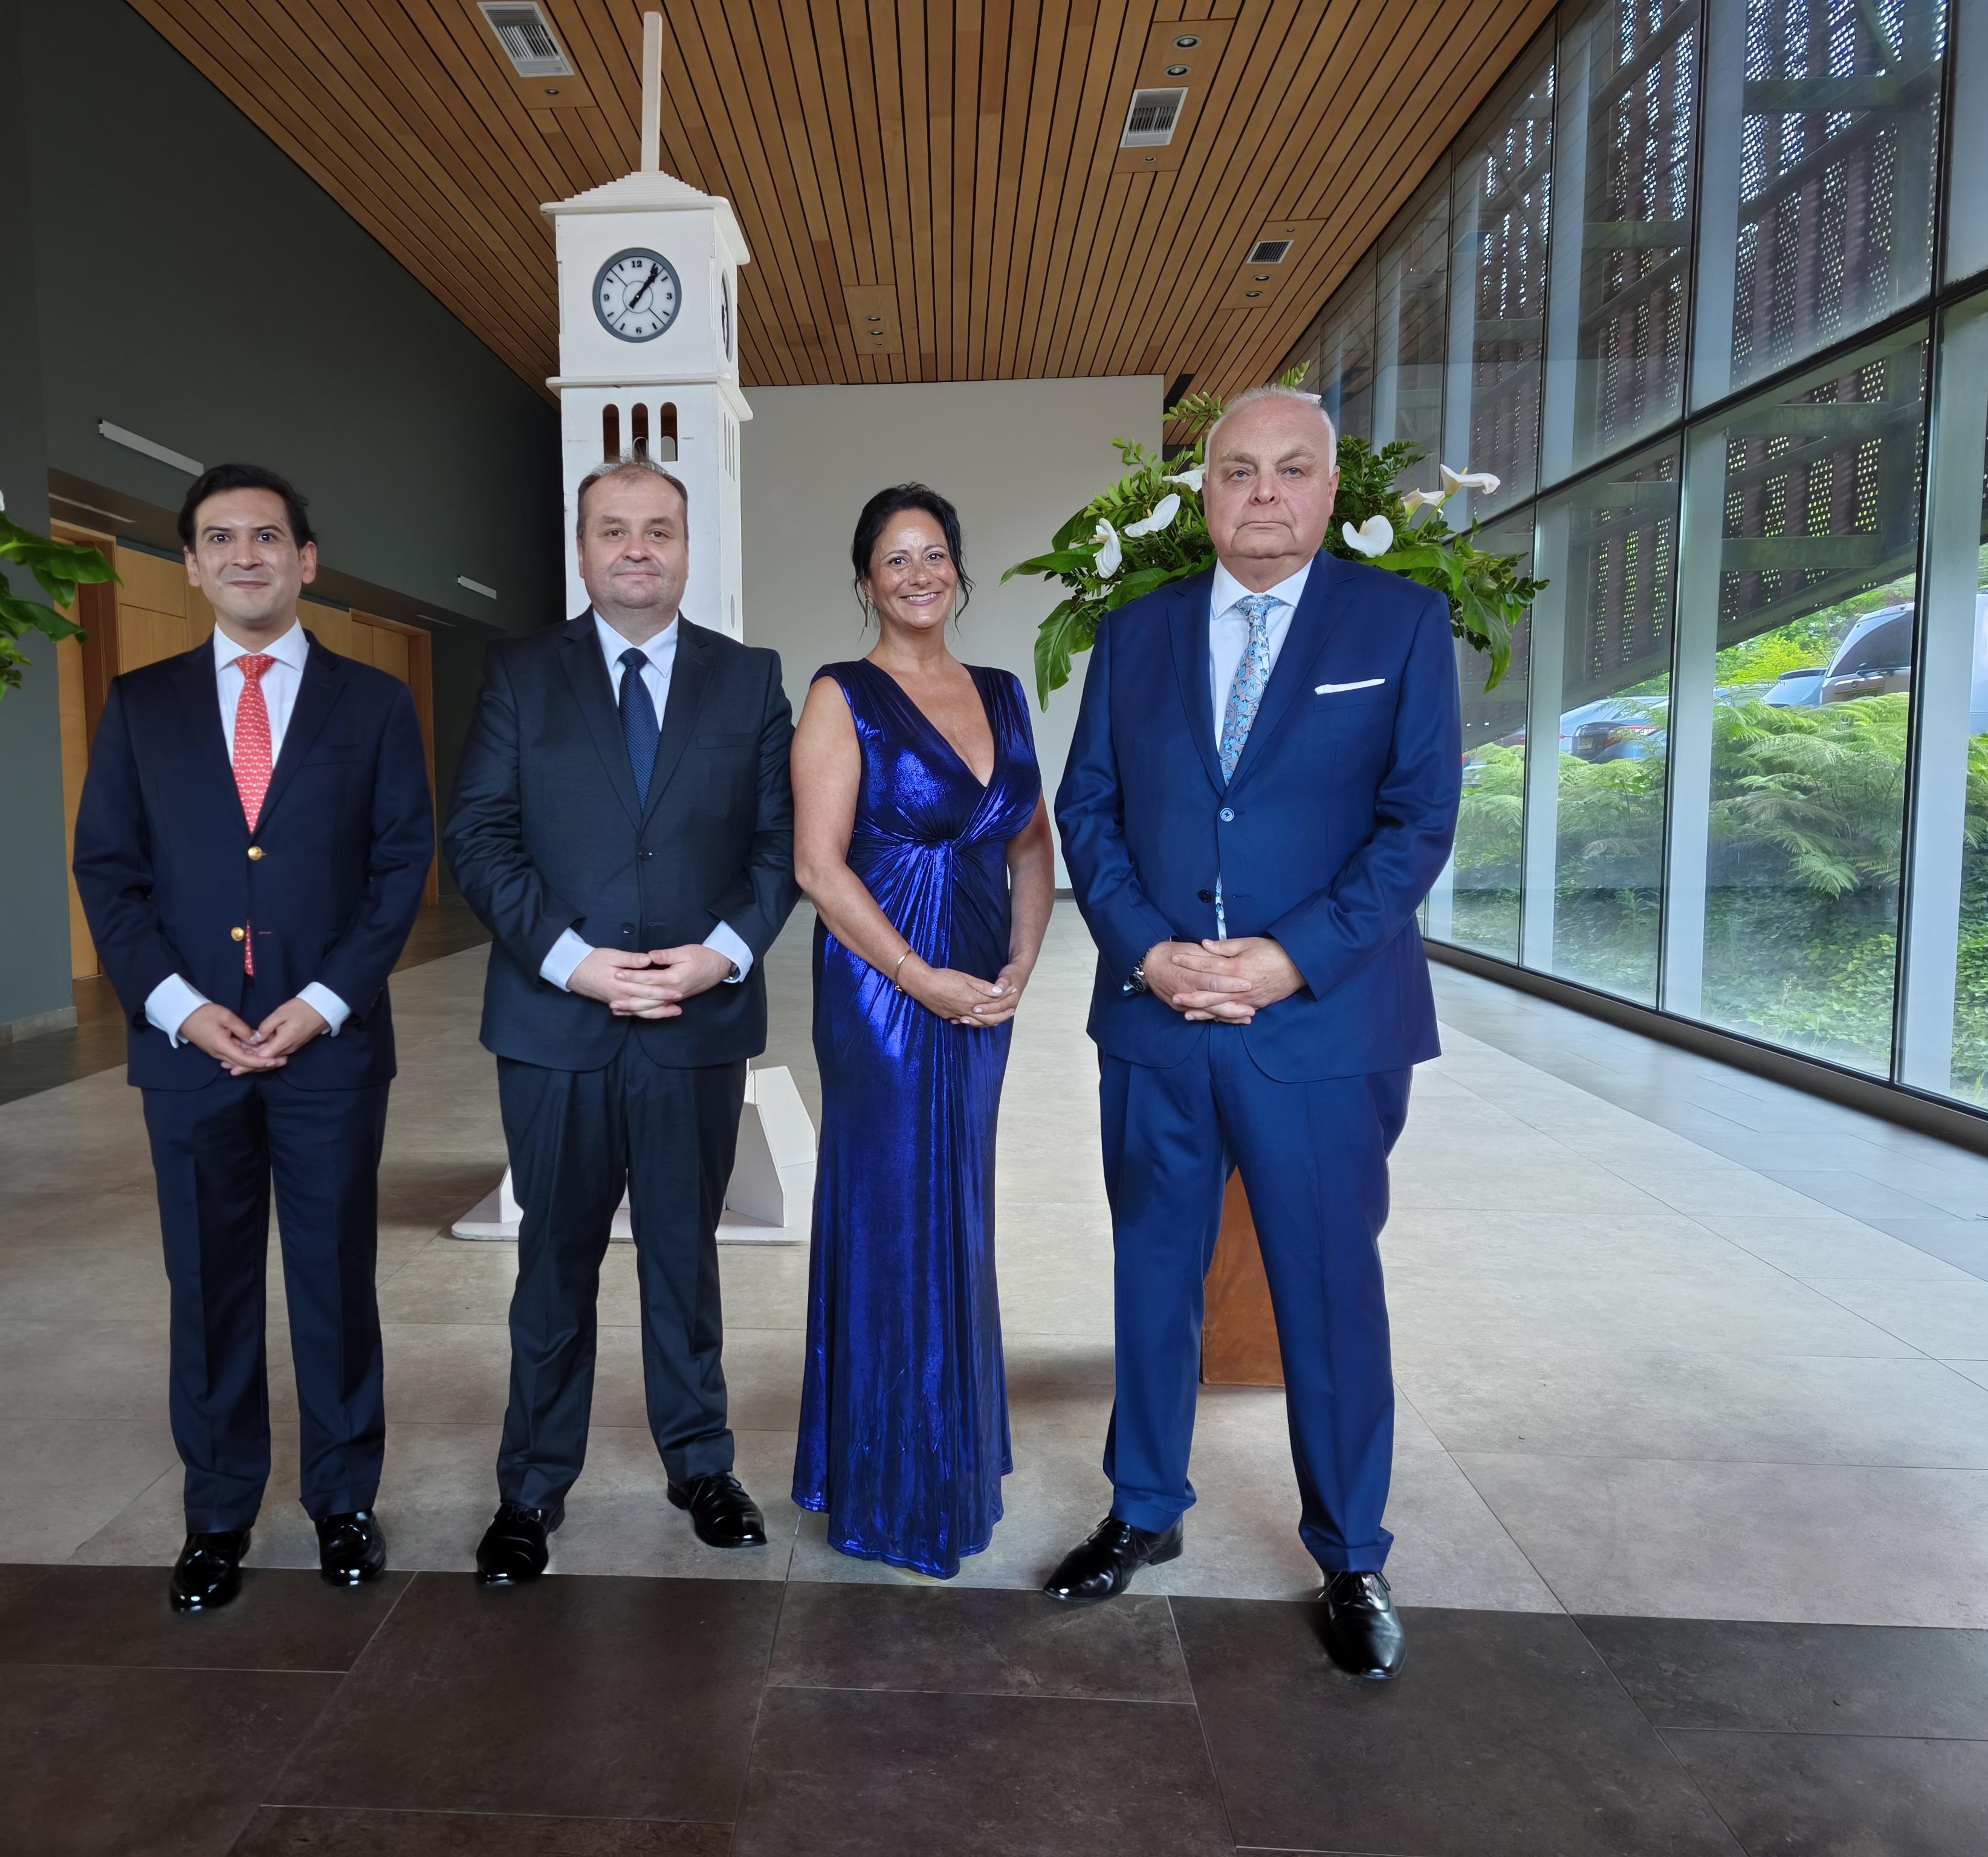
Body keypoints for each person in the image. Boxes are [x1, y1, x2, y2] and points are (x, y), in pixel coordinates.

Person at [1048, 386, 1460, 1679]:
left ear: (1330, 490)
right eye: (1238, 470)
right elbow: (1088, 809)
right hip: (1159, 1021)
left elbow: (1417, 822)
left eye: (1290, 469)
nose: (1264, 492)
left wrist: (1292, 959)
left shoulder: (1398, 623)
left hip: (1321, 1028)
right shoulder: (1134, 634)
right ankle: (1143, 1509)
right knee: (1151, 1275)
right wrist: (1146, 951)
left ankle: (1350, 1552)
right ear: (1205, 492)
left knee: (1327, 1294)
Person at [74, 463, 433, 1612]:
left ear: (306, 560)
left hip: (329, 1046)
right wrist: (178, 1007)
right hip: (191, 1052)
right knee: (208, 1282)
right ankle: (219, 1511)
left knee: (334, 1279)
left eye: (267, 537)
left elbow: (399, 869)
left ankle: (344, 1502)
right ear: (190, 565)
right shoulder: (142, 705)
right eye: (220, 539)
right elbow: (109, 873)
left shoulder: (373, 704)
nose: (245, 556)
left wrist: (325, 1001)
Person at [444, 458, 796, 1586]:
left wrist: (720, 955)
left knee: (685, 1257)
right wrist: (576, 964)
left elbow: (781, 846)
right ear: (582, 547)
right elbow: (479, 836)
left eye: (658, 530)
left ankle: (701, 1464)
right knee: (553, 1263)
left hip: (698, 1021)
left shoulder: (749, 679)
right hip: (558, 1024)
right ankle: (531, 1488)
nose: (637, 548)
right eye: (614, 530)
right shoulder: (520, 674)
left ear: (688, 548)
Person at [790, 485, 1053, 1579]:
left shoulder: (1001, 691)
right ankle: (888, 1484)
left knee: (960, 1208)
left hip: (981, 990)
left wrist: (1021, 963)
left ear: (958, 570)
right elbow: (818, 867)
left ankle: (952, 1456)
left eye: (933, 554)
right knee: (896, 1212)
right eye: (894, 559)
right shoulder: (840, 693)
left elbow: (1030, 845)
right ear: (865, 582)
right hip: (883, 990)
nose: (917, 574)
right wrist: (915, 977)